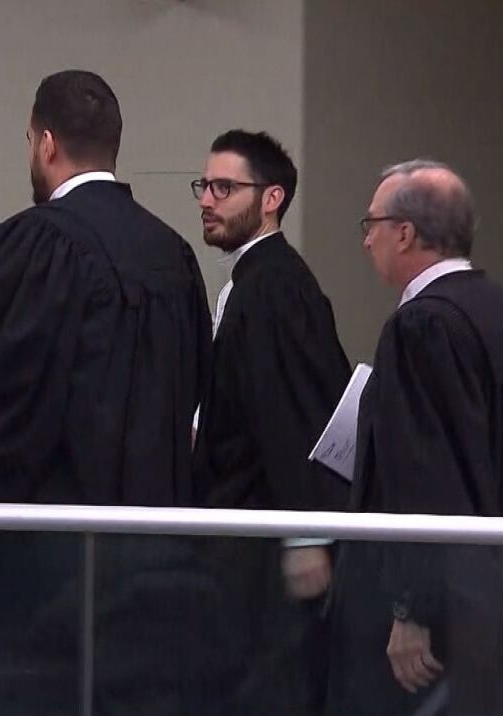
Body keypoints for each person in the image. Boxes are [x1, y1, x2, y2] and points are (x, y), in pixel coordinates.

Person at [0, 70, 213, 716]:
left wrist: (4, 464)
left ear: (45, 143)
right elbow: (198, 394)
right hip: (152, 568)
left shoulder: (38, 243)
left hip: (44, 568)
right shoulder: (173, 258)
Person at [326, 159, 503, 715]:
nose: (366, 240)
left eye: (371, 224)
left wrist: (411, 610)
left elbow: (426, 478)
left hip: (453, 616)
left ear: (405, 233)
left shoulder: (419, 328)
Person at [190, 130, 351, 715]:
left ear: (272, 198)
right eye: (204, 186)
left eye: (225, 188)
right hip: (247, 538)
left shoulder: (275, 286)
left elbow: (296, 413)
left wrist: (305, 535)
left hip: (261, 546)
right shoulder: (254, 281)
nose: (208, 199)